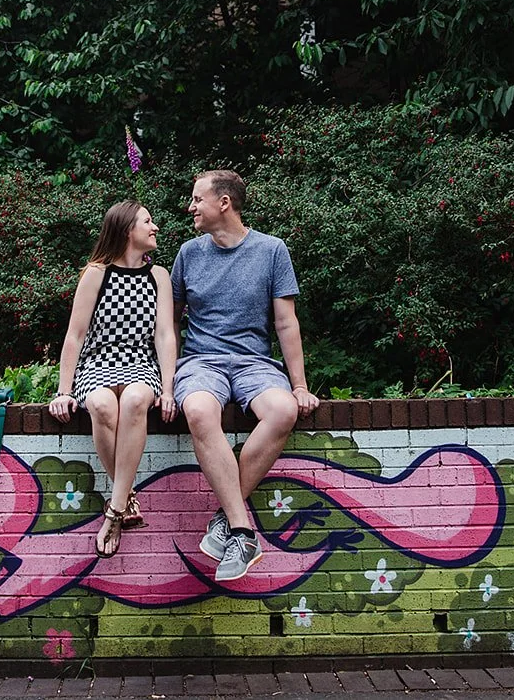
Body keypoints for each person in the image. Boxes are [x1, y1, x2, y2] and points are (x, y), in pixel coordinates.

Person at [172, 169, 318, 582]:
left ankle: (226, 519)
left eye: (197, 198)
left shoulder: (272, 250)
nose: (190, 207)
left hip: (255, 363)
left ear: (224, 203)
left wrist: (300, 384)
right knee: (199, 411)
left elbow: (286, 324)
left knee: (283, 410)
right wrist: (167, 384)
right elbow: (170, 326)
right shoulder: (188, 253)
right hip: (202, 362)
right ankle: (242, 529)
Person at [49, 200, 178, 559]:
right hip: (97, 363)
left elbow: (165, 336)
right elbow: (75, 335)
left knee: (137, 401)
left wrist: (168, 389)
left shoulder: (158, 277)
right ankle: (127, 498)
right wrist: (63, 390)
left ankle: (115, 510)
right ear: (126, 231)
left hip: (140, 363)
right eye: (148, 222)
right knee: (103, 406)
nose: (155, 228)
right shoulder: (96, 273)